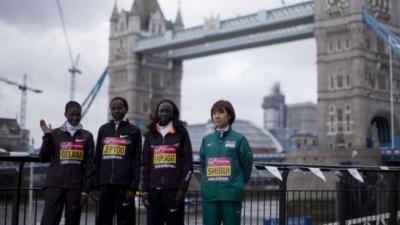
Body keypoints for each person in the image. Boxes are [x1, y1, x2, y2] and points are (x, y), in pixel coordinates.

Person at [39, 101, 94, 225]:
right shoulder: (55, 134)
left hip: (76, 188)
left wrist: (85, 190)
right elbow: (43, 157)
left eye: (78, 115)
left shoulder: (87, 136)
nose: (75, 118)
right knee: (49, 222)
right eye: (72, 114)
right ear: (65, 115)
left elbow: (89, 165)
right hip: (54, 186)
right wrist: (47, 136)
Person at [199, 100, 253, 225]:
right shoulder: (207, 140)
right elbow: (203, 164)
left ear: (229, 115)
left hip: (231, 195)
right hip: (210, 196)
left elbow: (247, 164)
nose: (216, 116)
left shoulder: (239, 139)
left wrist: (238, 183)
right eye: (214, 113)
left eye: (221, 112)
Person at [141, 99, 194, 225]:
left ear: (173, 113)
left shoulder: (181, 133)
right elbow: (145, 164)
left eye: (167, 111)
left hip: (174, 191)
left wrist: (182, 189)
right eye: (161, 110)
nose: (164, 113)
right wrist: (144, 190)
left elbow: (188, 164)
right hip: (153, 192)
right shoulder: (150, 135)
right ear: (157, 113)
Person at [93, 97, 142, 225]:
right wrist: (95, 185)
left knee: (125, 220)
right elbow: (97, 157)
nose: (116, 111)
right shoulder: (103, 130)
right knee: (103, 220)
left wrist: (133, 186)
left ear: (126, 109)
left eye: (119, 108)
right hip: (105, 184)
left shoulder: (134, 131)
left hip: (125, 186)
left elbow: (137, 160)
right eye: (113, 108)